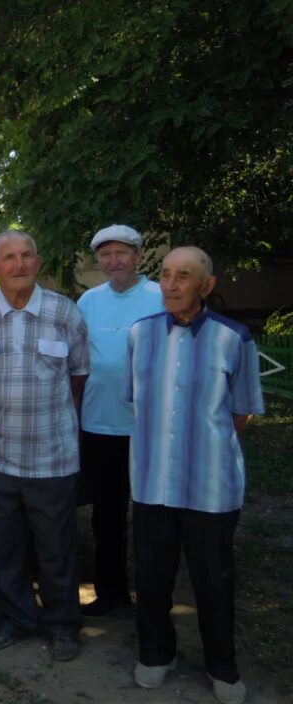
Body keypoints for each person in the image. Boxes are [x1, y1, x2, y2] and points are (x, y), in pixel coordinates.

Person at [126, 247, 263, 704]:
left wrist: (202, 440)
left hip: (210, 486)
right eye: (165, 275)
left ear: (206, 285)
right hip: (151, 482)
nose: (170, 284)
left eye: (183, 276)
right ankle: (155, 654)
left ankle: (222, 666)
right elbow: (139, 401)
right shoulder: (139, 336)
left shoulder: (235, 338)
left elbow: (242, 411)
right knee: (151, 576)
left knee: (214, 580)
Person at [0, 230, 89, 662]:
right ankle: (16, 619)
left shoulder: (64, 313)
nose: (18, 264)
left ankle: (62, 624)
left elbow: (78, 378)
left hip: (52, 458)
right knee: (4, 547)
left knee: (57, 548)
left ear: (37, 263)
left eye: (26, 256)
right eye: (8, 257)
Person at [76, 225, 163, 617]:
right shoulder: (88, 302)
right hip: (99, 423)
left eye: (121, 253)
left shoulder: (161, 297)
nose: (114, 261)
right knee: (106, 515)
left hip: (149, 427)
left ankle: (154, 596)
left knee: (152, 515)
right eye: (106, 255)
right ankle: (110, 592)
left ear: (139, 255)